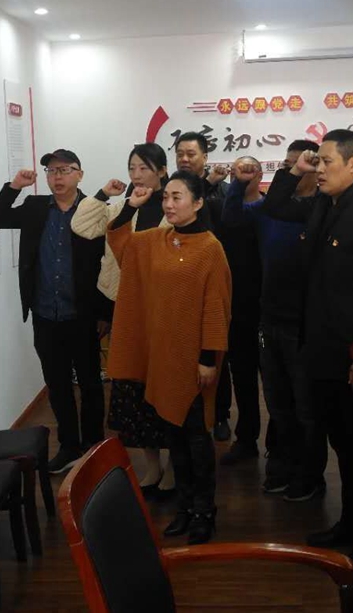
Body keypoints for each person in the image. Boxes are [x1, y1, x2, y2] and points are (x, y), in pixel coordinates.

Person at [262, 129, 353, 575]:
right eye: (316, 161)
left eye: (326, 162)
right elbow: (277, 207)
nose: (319, 169)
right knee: (344, 449)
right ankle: (350, 526)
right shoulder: (326, 204)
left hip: (349, 360)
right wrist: (294, 169)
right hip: (318, 352)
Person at [106, 170, 232, 544]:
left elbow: (216, 308)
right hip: (162, 357)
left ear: (198, 202)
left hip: (194, 359)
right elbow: (119, 239)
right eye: (167, 197)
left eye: (178, 197)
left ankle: (205, 511)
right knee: (172, 436)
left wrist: (208, 359)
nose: (169, 204)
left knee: (196, 438)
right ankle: (184, 508)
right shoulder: (155, 241)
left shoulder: (210, 248)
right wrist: (131, 207)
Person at [0, 149, 105, 474]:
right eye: (52, 171)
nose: (57, 177)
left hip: (82, 314)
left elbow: (109, 263)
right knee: (57, 384)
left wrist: (105, 314)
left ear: (80, 174)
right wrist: (14, 186)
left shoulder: (94, 210)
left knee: (91, 383)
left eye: (64, 170)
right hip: (45, 314)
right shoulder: (35, 207)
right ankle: (69, 446)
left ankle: (94, 447)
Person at [71, 143, 175, 499]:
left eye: (144, 168)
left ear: (162, 171)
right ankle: (152, 465)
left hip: (163, 311)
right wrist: (107, 195)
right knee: (134, 390)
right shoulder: (123, 207)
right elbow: (81, 225)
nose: (136, 175)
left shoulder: (173, 207)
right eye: (132, 168)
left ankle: (173, 466)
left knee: (165, 388)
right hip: (127, 309)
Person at [223, 142, 327, 500]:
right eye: (287, 164)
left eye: (301, 164)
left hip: (304, 323)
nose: (292, 169)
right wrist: (239, 183)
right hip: (269, 318)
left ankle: (310, 476)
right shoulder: (270, 210)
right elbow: (232, 217)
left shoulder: (321, 209)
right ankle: (282, 466)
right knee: (279, 403)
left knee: (306, 407)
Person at [175, 131, 233, 442]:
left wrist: (208, 185)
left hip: (211, 283)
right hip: (178, 288)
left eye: (191, 154)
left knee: (216, 353)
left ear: (205, 157)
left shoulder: (222, 190)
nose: (184, 159)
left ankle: (220, 414)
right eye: (180, 154)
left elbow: (217, 225)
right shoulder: (170, 189)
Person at [216, 157, 264, 466]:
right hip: (235, 307)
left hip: (267, 306)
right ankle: (246, 440)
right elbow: (231, 221)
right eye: (237, 171)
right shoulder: (228, 207)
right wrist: (236, 185)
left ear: (260, 174)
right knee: (243, 378)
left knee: (275, 384)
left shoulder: (272, 207)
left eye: (248, 170)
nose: (242, 175)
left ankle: (280, 446)